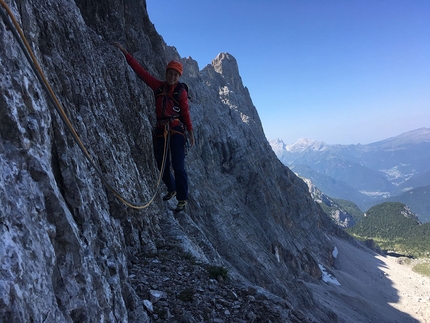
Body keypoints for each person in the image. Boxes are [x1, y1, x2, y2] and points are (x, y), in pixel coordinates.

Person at [112, 42, 194, 213]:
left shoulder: (181, 92)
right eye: (170, 73)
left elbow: (185, 112)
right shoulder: (158, 86)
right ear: (166, 73)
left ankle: (182, 198)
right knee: (161, 164)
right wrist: (126, 53)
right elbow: (141, 73)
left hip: (176, 130)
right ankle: (171, 188)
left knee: (178, 165)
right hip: (161, 130)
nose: (172, 77)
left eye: (175, 75)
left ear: (179, 77)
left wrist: (191, 132)